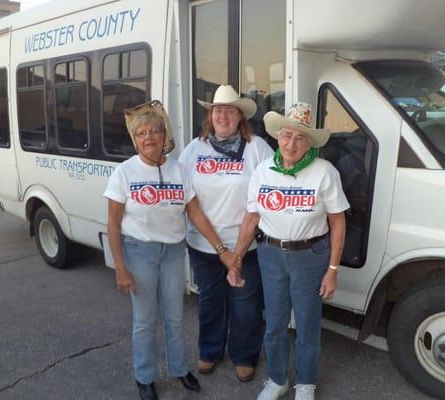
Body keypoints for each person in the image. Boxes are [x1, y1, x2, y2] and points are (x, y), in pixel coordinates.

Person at [104, 100, 234, 400]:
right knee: (145, 320)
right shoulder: (124, 173)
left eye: (154, 131)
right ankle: (144, 376)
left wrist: (220, 248)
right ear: (135, 140)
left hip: (174, 253)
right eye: (141, 134)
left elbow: (196, 213)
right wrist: (120, 267)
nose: (148, 138)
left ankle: (179, 369)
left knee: (175, 318)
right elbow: (112, 223)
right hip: (140, 254)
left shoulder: (179, 170)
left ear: (164, 136)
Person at [229, 103, 349, 400]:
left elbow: (338, 222)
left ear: (309, 142)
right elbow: (251, 218)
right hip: (270, 254)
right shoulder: (263, 171)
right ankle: (278, 379)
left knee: (307, 324)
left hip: (310, 257)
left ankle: (306, 382)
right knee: (275, 322)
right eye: (286, 136)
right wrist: (237, 258)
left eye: (300, 137)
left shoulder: (324, 172)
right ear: (277, 138)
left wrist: (332, 271)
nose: (291, 144)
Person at [178, 85, 273, 382]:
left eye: (229, 111)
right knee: (210, 301)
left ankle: (244, 356)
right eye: (217, 110)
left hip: (246, 247)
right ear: (211, 115)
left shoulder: (257, 148)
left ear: (240, 116)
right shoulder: (195, 149)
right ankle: (210, 351)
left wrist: (237, 252)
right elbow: (184, 194)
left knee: (246, 305)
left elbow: (269, 191)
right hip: (204, 245)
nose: (222, 116)